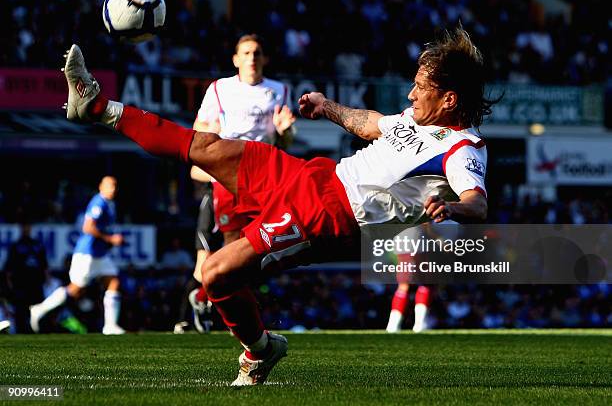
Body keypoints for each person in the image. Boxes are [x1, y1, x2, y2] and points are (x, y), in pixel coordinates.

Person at [61, 26, 494, 384]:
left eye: (420, 89)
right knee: (208, 147)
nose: (411, 95)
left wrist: (452, 209)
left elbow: (477, 203)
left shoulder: (463, 149)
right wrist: (327, 107)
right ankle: (96, 105)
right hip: (313, 175)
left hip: (330, 218)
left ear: (449, 99)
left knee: (215, 272)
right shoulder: (413, 119)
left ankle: (260, 350)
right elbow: (369, 124)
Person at [174, 34, 297, 334]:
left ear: (264, 58)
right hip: (226, 177)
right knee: (224, 253)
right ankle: (194, 315)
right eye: (246, 53)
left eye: (257, 52)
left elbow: (285, 142)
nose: (252, 58)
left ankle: (209, 308)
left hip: (262, 178)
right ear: (236, 59)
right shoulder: (220, 89)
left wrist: (285, 131)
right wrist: (210, 136)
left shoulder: (279, 91)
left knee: (254, 253)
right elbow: (198, 133)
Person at [29, 176, 126, 335]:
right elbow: (87, 227)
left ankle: (110, 326)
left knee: (113, 281)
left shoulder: (111, 204)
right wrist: (110, 239)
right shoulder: (98, 202)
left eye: (115, 185)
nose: (113, 189)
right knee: (75, 290)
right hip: (87, 253)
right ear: (101, 187)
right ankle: (39, 309)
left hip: (100, 254)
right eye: (110, 186)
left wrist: (110, 240)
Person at [5, 221, 48, 333]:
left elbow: (44, 266)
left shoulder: (37, 245)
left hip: (36, 284)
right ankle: (21, 333)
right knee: (20, 313)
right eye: (24, 226)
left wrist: (45, 280)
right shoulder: (16, 246)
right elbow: (8, 269)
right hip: (21, 285)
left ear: (30, 228)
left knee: (38, 310)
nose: (26, 229)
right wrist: (11, 285)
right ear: (21, 228)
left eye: (27, 226)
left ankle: (39, 332)